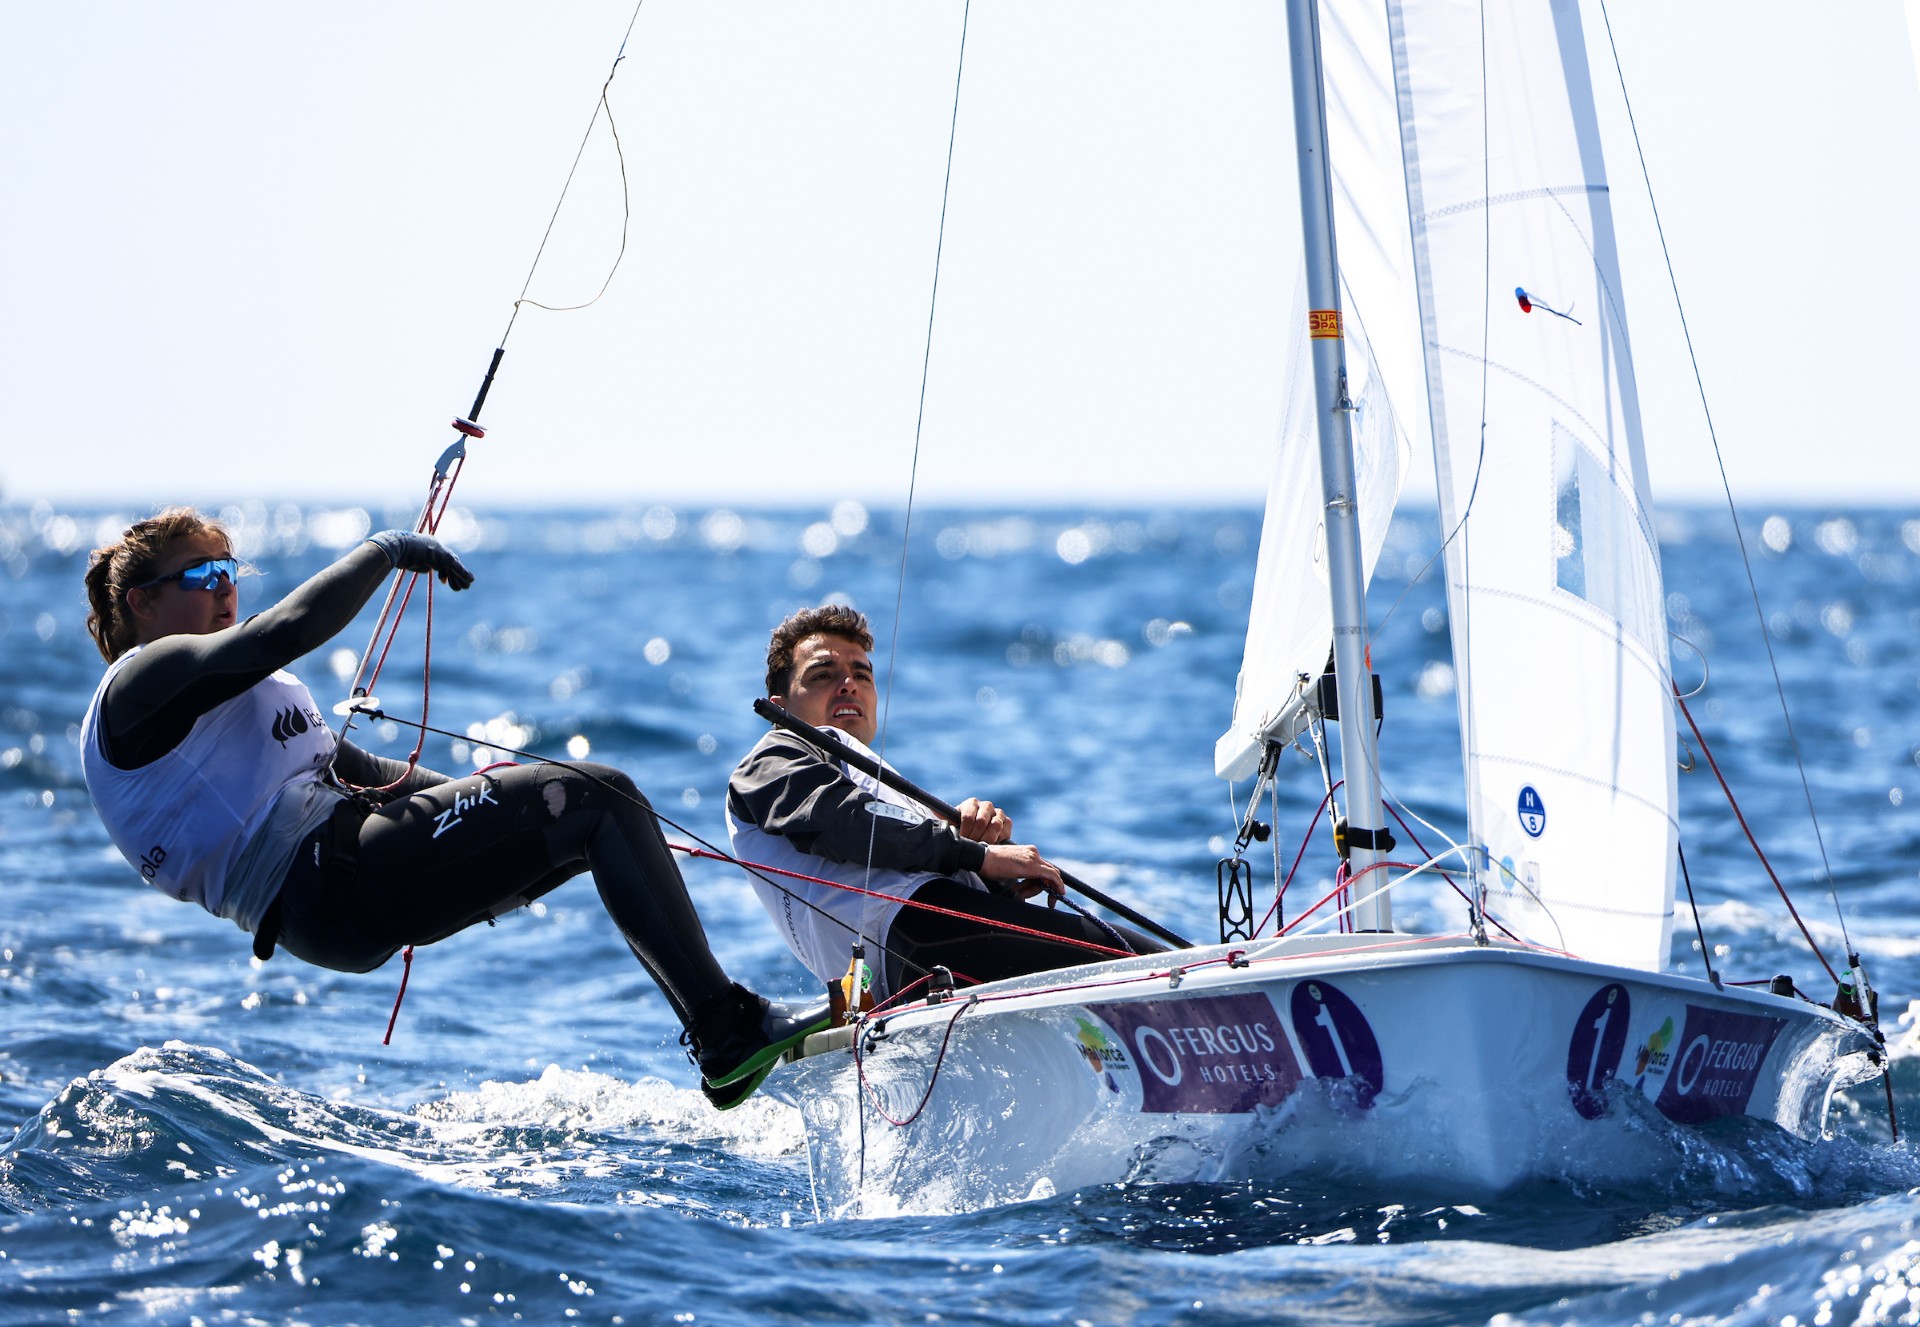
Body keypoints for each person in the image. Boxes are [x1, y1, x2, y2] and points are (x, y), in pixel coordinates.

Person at [80, 507, 821, 1109]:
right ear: (142, 602)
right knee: (593, 795)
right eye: (202, 575)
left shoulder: (217, 692)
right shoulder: (139, 681)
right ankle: (726, 1033)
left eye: (230, 571)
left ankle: (727, 1034)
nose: (224, 588)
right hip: (324, 882)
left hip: (338, 883)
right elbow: (288, 631)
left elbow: (357, 769)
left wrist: (498, 811)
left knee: (583, 806)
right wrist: (385, 546)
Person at [726, 604, 1168, 1004]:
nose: (848, 685)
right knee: (1163, 970)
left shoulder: (863, 774)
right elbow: (843, 825)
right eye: (823, 675)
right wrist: (977, 855)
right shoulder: (772, 757)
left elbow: (881, 844)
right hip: (919, 936)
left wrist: (990, 876)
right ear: (778, 707)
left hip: (917, 963)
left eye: (862, 675)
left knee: (1154, 966)